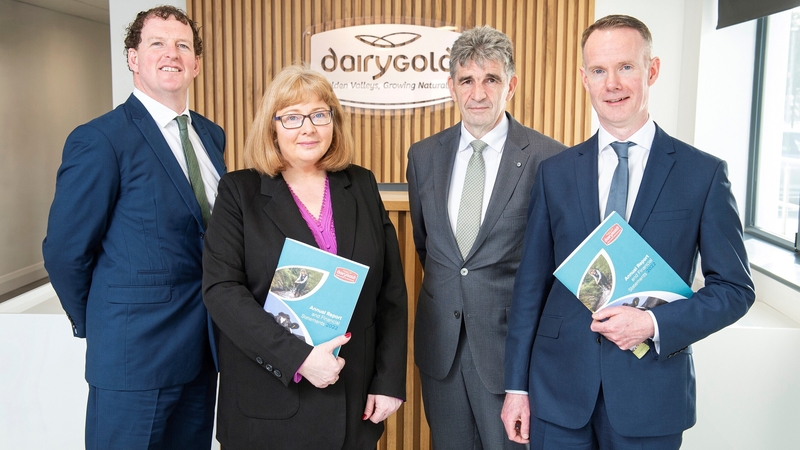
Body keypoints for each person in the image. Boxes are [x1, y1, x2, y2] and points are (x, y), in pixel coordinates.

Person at [501, 14, 755, 450]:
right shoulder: (555, 173)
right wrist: (516, 388)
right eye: (599, 70)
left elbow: (734, 289)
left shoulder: (702, 174)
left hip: (650, 395)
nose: (612, 84)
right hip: (558, 393)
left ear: (651, 70)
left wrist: (653, 323)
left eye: (626, 67)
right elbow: (529, 288)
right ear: (584, 79)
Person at [42, 6, 225, 449]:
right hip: (133, 358)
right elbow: (65, 253)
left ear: (197, 63)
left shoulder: (210, 135)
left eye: (183, 45)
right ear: (132, 58)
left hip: (202, 353)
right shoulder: (101, 139)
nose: (171, 54)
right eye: (156, 43)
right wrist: (105, 324)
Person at [202, 65, 408, 450]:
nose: (308, 128)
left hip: (353, 400)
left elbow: (391, 292)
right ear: (273, 126)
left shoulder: (360, 183)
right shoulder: (239, 191)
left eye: (319, 115)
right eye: (292, 117)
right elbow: (222, 292)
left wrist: (389, 381)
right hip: (269, 404)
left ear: (334, 122)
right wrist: (298, 358)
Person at [406, 26, 565, 449]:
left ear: (511, 85)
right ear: (451, 87)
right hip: (441, 349)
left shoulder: (549, 159)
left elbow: (554, 265)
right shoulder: (423, 156)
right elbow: (429, 247)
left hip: (509, 355)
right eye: (467, 80)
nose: (478, 92)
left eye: (490, 79)